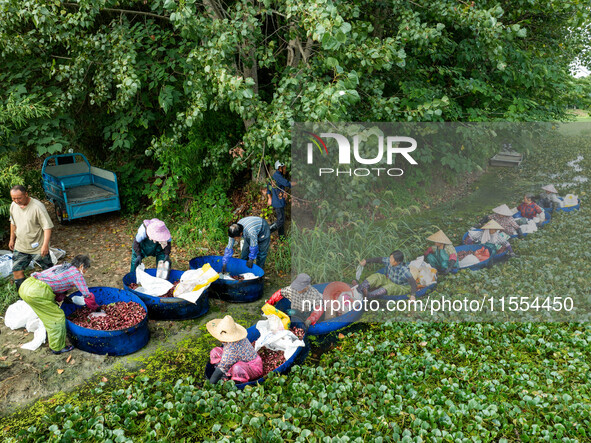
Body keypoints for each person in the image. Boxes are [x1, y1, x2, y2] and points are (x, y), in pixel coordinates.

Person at [18, 255, 99, 354]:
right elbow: (87, 295)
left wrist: (64, 298)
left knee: (48, 314)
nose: (86, 272)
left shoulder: (62, 267)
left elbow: (53, 282)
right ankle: (57, 348)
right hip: (36, 292)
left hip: (27, 285)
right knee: (57, 317)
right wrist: (96, 308)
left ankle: (51, 334)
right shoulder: (76, 274)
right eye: (86, 269)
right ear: (82, 266)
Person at [9, 185, 54, 290]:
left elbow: (47, 227)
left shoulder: (37, 207)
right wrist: (12, 239)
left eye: (19, 198)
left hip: (38, 246)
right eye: (13, 198)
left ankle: (58, 291)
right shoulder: (13, 205)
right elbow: (13, 222)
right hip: (21, 245)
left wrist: (45, 245)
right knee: (17, 271)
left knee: (48, 271)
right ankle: (23, 295)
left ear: (26, 194)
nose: (16, 201)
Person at [207, 315, 263, 384]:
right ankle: (226, 375)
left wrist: (210, 384)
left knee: (237, 368)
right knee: (215, 352)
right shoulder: (235, 338)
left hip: (253, 367)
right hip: (237, 359)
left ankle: (237, 382)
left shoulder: (231, 350)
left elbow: (221, 368)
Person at [267, 161, 295, 238]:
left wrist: (269, 198)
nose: (285, 169)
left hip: (279, 201)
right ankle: (266, 231)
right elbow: (287, 184)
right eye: (284, 167)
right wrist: (300, 183)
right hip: (278, 202)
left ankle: (281, 237)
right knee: (280, 221)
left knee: (281, 220)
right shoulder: (277, 176)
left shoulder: (276, 175)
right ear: (280, 168)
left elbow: (268, 186)